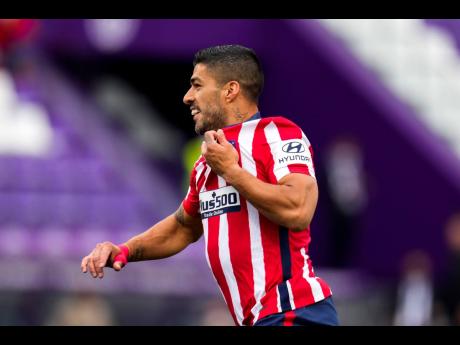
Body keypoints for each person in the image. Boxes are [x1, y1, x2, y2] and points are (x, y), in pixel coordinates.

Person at [81, 45, 338, 326]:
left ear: (230, 91)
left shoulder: (277, 134)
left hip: (293, 312)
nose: (187, 97)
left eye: (197, 85)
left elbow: (298, 210)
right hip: (261, 320)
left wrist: (231, 171)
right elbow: (182, 227)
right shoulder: (207, 164)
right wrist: (126, 250)